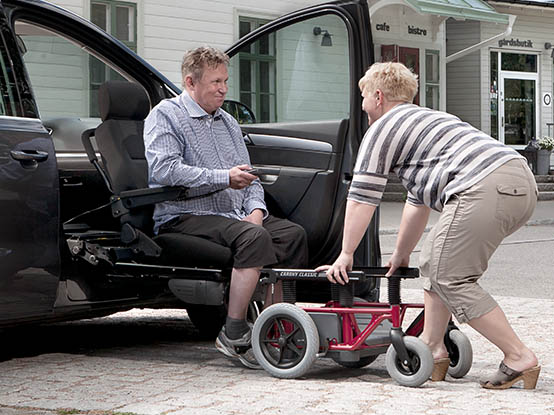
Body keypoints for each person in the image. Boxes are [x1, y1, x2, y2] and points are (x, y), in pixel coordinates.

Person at [317, 62, 540, 389]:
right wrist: (402, 254)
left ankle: (518, 355)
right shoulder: (430, 120)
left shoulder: (383, 128)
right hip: (520, 182)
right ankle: (433, 348)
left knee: (452, 276)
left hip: (482, 187)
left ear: (378, 96)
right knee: (434, 262)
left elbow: (363, 197)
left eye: (364, 96)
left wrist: (346, 253)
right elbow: (416, 203)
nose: (363, 105)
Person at [143, 46, 308, 368]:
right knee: (252, 238)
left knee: (292, 234)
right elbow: (164, 170)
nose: (223, 89)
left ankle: (272, 324)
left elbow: (249, 177)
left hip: (232, 213)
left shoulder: (228, 122)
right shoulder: (166, 115)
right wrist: (222, 179)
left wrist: (257, 211)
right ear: (191, 82)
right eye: (215, 82)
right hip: (186, 215)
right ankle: (233, 331)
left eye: (225, 81)